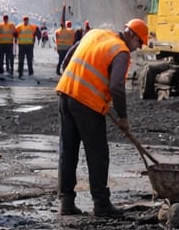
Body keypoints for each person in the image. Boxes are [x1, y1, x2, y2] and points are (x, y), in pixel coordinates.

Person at [54, 18, 149, 217]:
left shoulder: (95, 33)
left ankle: (66, 202)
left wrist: (74, 79)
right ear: (131, 34)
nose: (138, 47)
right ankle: (101, 204)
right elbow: (116, 86)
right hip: (87, 104)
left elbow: (68, 58)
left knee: (68, 150)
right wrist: (123, 117)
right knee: (97, 154)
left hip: (66, 93)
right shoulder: (120, 52)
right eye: (139, 42)